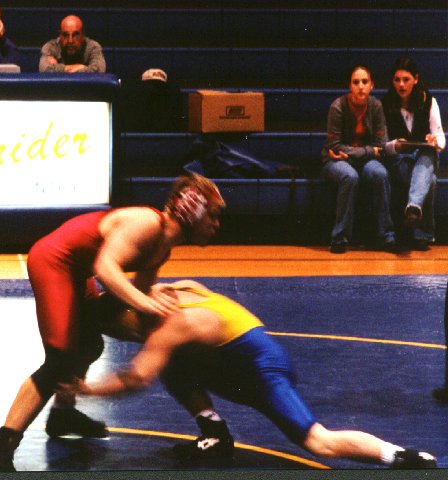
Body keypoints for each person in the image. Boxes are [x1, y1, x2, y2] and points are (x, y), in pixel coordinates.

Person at [0, 173, 225, 472]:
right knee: (60, 359)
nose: (216, 225)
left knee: (89, 343)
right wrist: (144, 302)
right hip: (54, 262)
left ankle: (63, 415)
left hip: (75, 271)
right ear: (192, 210)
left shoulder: (162, 248)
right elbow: (106, 269)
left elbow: (131, 295)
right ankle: (0, 447)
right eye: (212, 215)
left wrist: (154, 314)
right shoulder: (148, 223)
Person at [67, 280, 438, 469]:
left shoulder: (169, 325)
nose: (128, 338)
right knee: (172, 361)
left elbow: (135, 378)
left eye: (123, 332)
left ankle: (403, 457)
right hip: (237, 363)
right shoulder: (176, 290)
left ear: (129, 316)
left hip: (263, 372)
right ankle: (215, 435)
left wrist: (87, 389)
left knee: (318, 442)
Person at [321, 65, 395, 254]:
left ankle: (386, 236)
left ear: (372, 85)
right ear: (350, 86)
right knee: (350, 177)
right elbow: (334, 146)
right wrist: (369, 151)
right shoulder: (338, 106)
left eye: (364, 82)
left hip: (361, 160)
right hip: (336, 160)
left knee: (380, 173)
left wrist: (356, 152)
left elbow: (382, 144)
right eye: (356, 82)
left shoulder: (376, 106)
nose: (360, 86)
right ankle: (339, 238)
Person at [382, 57, 445, 251]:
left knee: (428, 153)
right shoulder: (385, 103)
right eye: (397, 80)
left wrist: (434, 141)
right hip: (399, 162)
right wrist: (395, 145)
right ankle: (422, 233)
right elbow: (382, 146)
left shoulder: (429, 101)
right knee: (430, 180)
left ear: (416, 79)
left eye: (406, 79)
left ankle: (413, 208)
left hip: (422, 159)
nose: (401, 84)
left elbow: (441, 140)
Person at [39, 15, 106, 73]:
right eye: (65, 35)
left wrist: (57, 67)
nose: (70, 41)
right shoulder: (50, 47)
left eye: (75, 35)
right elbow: (44, 69)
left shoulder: (93, 47)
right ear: (60, 35)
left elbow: (99, 70)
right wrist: (81, 67)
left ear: (83, 35)